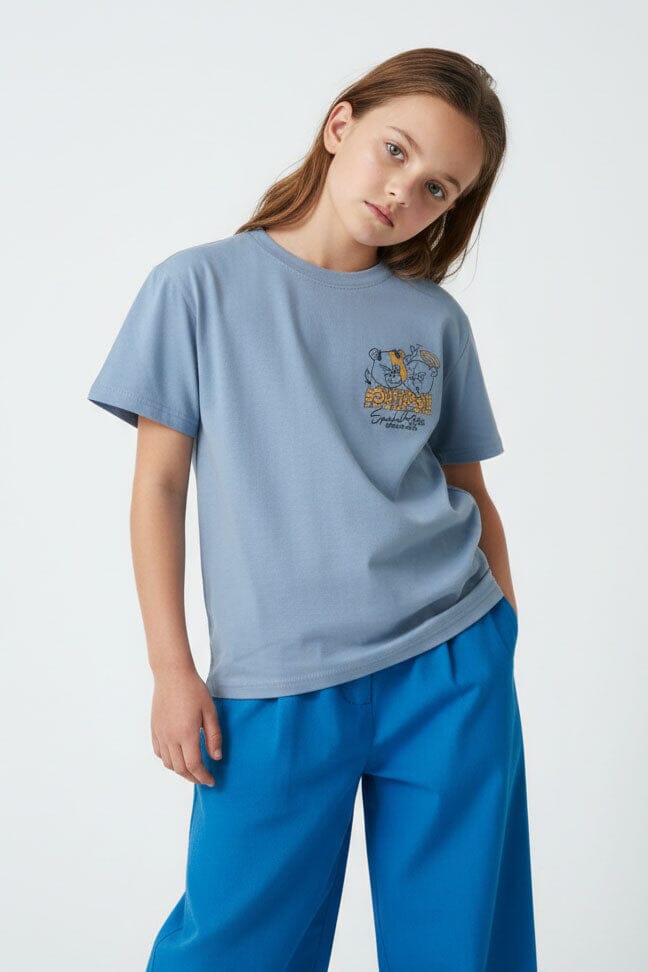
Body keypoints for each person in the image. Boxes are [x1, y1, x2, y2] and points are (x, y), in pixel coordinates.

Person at [87, 46, 537, 972]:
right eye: (395, 150)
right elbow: (159, 486)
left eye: (440, 189)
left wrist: (502, 634)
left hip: (452, 664)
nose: (405, 191)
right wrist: (172, 670)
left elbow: (468, 492)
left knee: (462, 951)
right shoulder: (197, 286)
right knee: (232, 948)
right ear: (341, 126)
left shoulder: (433, 323)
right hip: (276, 682)